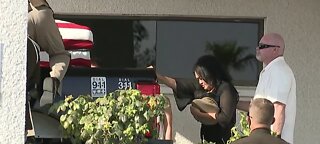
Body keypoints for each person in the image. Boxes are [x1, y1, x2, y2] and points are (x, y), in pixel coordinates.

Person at [155, 55, 239, 143]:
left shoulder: (226, 89)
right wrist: (157, 75)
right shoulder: (200, 89)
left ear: (209, 74)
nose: (200, 82)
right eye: (198, 79)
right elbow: (177, 85)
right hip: (207, 140)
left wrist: (199, 115)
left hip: (224, 140)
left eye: (201, 78)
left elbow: (224, 119)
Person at [237, 33, 296, 143]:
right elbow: (258, 108)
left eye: (262, 46)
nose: (257, 49)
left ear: (275, 50)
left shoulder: (279, 71)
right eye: (258, 45)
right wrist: (233, 102)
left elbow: (278, 108)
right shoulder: (269, 71)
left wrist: (275, 139)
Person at [28, 0, 70, 105]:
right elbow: (59, 54)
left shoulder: (36, 13)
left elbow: (58, 54)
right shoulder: (37, 13)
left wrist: (53, 80)